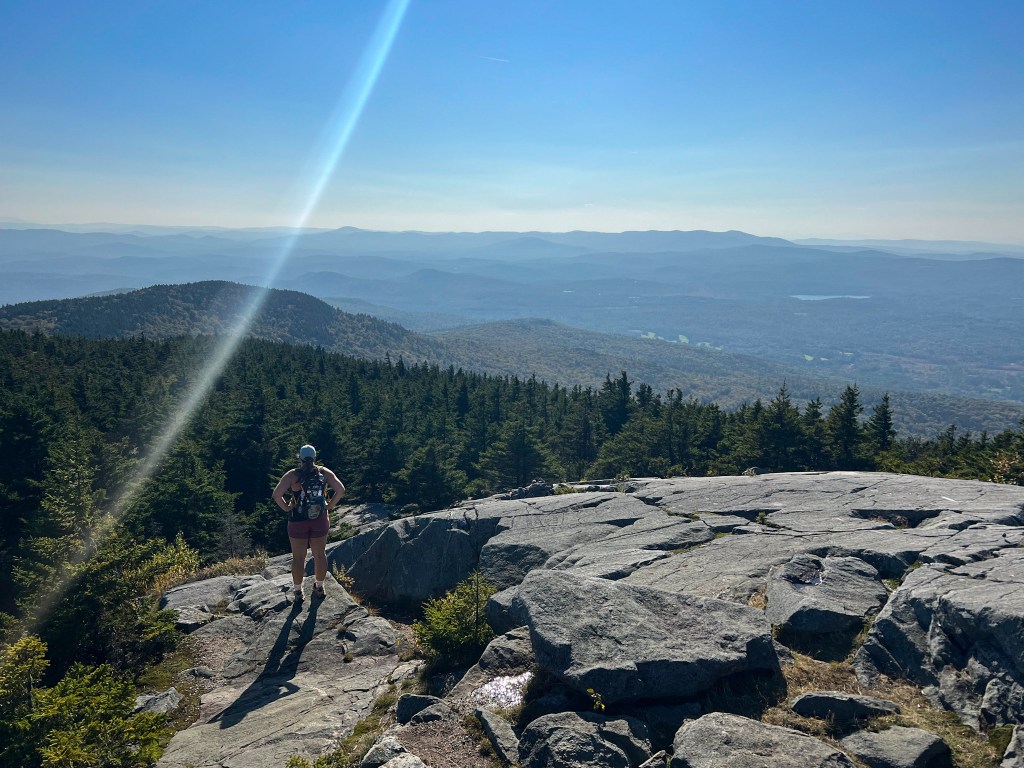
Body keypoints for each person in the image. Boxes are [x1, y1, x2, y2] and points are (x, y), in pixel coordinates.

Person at [272, 444, 345, 600]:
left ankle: (298, 591)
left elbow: (276, 495)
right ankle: (319, 587)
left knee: (298, 558)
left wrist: (287, 508)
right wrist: (329, 505)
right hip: (319, 519)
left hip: (297, 521)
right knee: (319, 555)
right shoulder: (324, 473)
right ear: (315, 457)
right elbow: (340, 490)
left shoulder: (292, 475)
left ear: (299, 458)